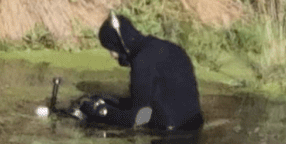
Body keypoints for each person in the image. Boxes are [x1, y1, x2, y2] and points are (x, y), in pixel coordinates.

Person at [73, 13, 204, 131]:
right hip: (195, 127)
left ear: (119, 44)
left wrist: (101, 112)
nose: (112, 56)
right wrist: (111, 101)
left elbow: (138, 118)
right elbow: (153, 100)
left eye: (111, 49)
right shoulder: (169, 48)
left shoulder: (142, 62)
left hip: (170, 138)